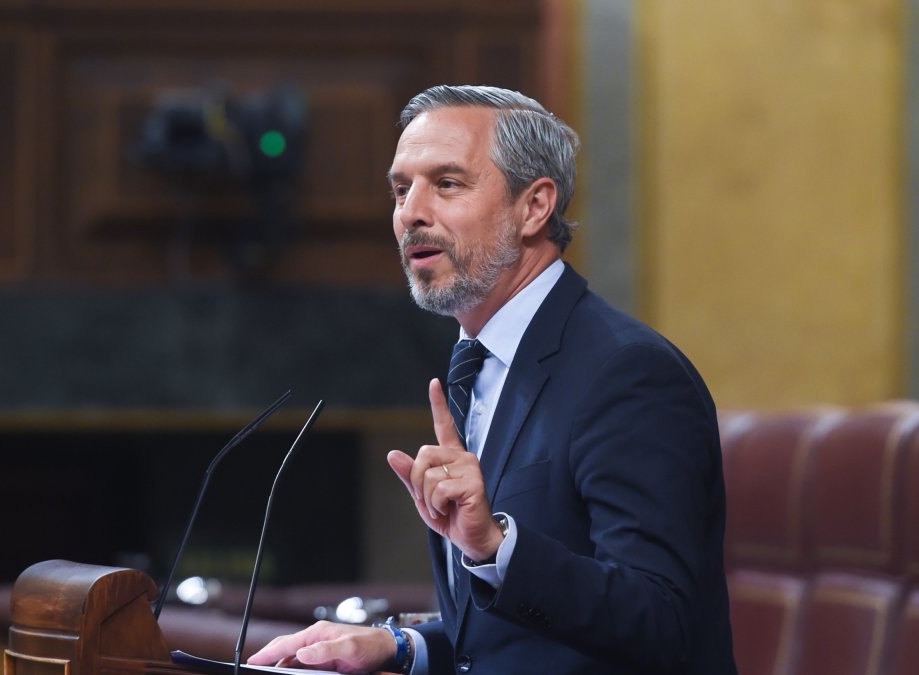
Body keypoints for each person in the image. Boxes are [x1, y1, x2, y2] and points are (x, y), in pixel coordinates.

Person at [248, 85, 737, 675]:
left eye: (447, 184)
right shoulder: (473, 365)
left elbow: (661, 622)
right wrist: (401, 646)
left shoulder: (629, 373)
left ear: (533, 207)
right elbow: (507, 639)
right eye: (402, 189)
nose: (411, 213)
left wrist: (496, 546)